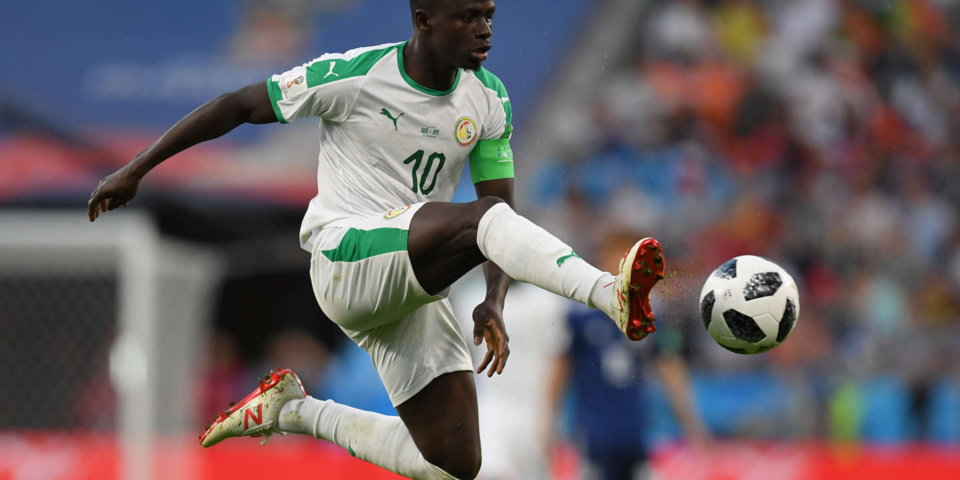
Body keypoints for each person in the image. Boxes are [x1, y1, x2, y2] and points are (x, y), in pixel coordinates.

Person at [87, 1, 665, 479]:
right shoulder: (354, 75)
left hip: (410, 285)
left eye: (488, 15)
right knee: (474, 218)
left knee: (454, 462)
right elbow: (238, 105)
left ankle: (296, 410)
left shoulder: (489, 99)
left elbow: (502, 210)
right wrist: (137, 168)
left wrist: (493, 299)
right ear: (423, 19)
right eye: (467, 16)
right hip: (344, 259)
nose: (485, 29)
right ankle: (608, 292)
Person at [545, 231, 709, 480]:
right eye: (618, 259)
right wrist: (549, 424)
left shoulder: (651, 318)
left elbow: (671, 369)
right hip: (594, 437)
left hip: (637, 434)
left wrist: (691, 423)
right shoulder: (579, 318)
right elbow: (560, 371)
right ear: (601, 263)